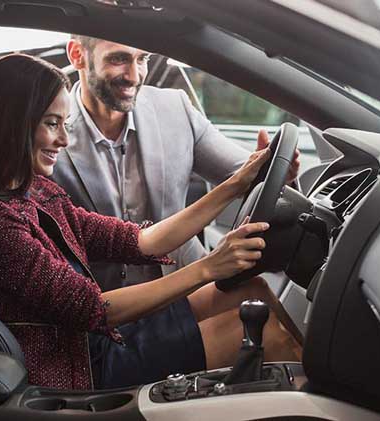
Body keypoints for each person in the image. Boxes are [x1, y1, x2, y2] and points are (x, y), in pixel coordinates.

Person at [0, 54, 302, 391]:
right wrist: (207, 267)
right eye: (51, 124)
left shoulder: (35, 191)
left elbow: (140, 241)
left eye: (65, 124)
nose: (62, 139)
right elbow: (94, 308)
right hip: (80, 367)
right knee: (270, 335)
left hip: (100, 340)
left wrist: (235, 184)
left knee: (250, 289)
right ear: (11, 124)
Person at [52, 36, 306, 388]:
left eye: (142, 59)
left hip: (187, 284)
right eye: (119, 60)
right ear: (78, 55)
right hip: (118, 313)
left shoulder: (175, 108)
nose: (135, 74)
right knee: (269, 337)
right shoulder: (52, 135)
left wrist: (274, 171)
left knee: (258, 290)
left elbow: (241, 172)